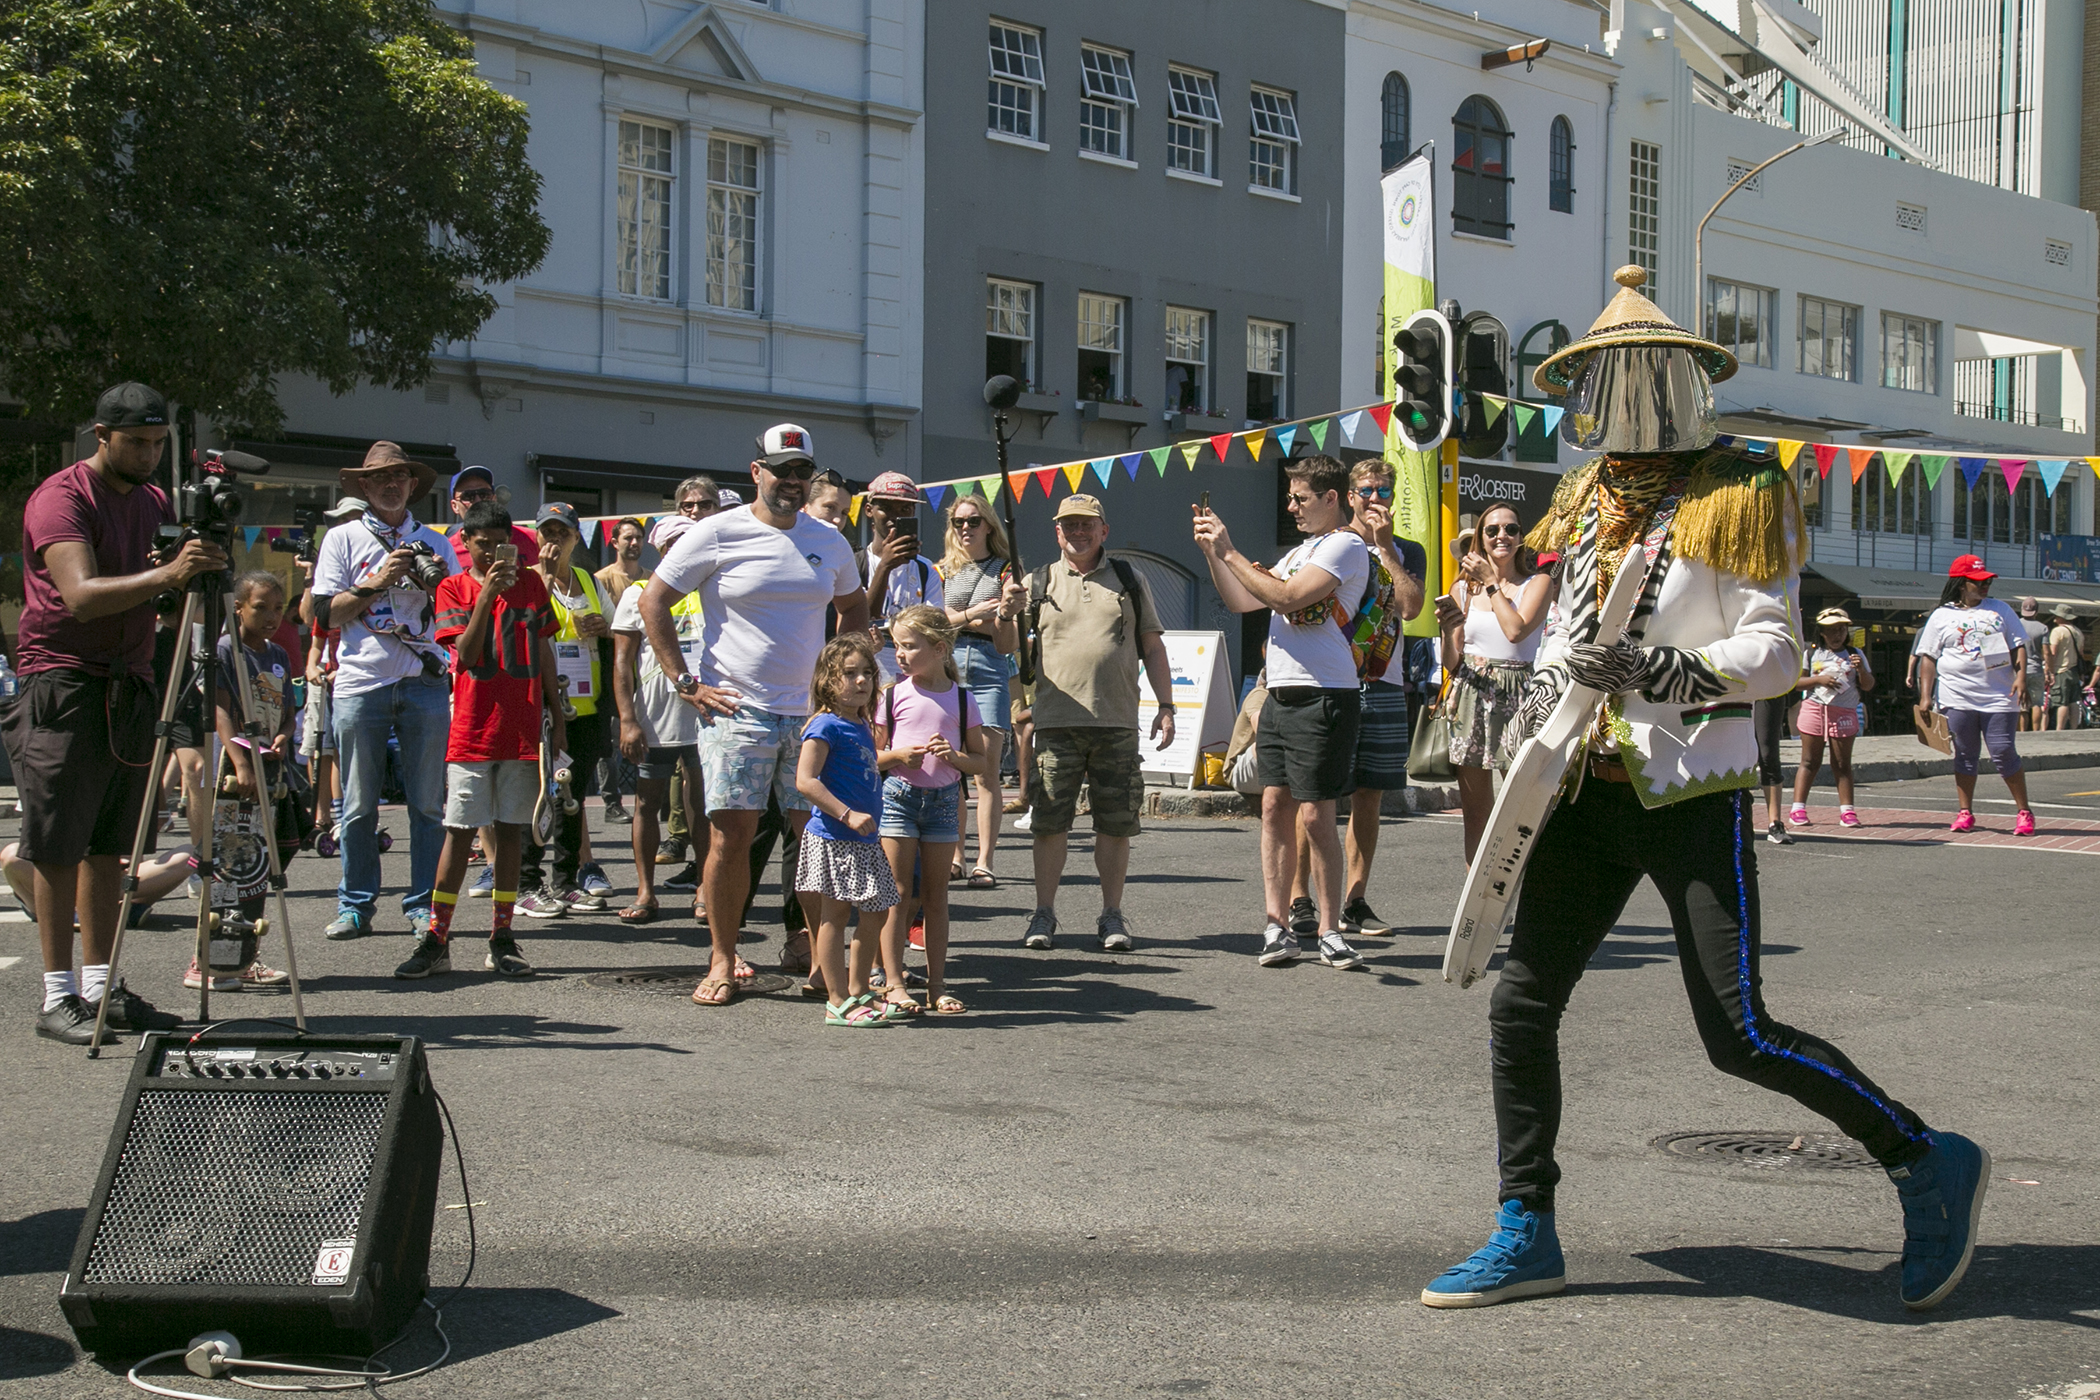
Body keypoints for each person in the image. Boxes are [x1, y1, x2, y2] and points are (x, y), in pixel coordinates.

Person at [1421, 267, 1984, 1315]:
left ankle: (1924, 1157)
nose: (1615, 396)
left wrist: (1661, 674)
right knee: (1520, 1003)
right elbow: (1569, 640)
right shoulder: (1583, 496)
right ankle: (1524, 1221)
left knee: (1741, 1033)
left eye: (1632, 373)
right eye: (1600, 376)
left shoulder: (1742, 487)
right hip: (1582, 788)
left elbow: (1774, 654)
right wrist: (1528, 685)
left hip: (1687, 782)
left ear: (1676, 377)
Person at [7, 382, 221, 1042]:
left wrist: (183, 574)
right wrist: (167, 576)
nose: (151, 454)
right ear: (102, 436)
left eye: (159, 443)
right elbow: (78, 594)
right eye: (138, 442)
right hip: (63, 683)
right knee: (58, 845)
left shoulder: (153, 499)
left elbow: (150, 589)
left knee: (110, 847)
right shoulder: (61, 497)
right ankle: (57, 997)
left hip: (128, 683)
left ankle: (100, 988)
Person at [640, 424, 868, 1008]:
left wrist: (837, 686)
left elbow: (852, 607)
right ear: (756, 471)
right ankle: (722, 955)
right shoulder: (718, 532)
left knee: (818, 838)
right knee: (730, 838)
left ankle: (823, 959)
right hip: (736, 711)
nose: (791, 481)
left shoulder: (830, 540)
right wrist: (685, 682)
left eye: (802, 472)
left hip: (810, 717)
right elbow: (653, 601)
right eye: (781, 469)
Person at [1193, 456, 1373, 969]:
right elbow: (1241, 601)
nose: (1291, 507)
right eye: (1290, 498)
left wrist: (1231, 551)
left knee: (1317, 815)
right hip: (1280, 693)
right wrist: (1213, 553)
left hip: (1325, 694)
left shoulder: (1345, 545)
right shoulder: (1299, 551)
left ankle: (1331, 929)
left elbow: (1289, 598)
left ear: (1331, 498)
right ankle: (1276, 926)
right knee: (1274, 808)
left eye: (1300, 498)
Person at [396, 501, 564, 980]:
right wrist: (487, 597)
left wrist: (557, 711)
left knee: (511, 831)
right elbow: (465, 655)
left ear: (513, 543)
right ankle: (438, 936)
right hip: (473, 728)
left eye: (498, 544)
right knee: (460, 831)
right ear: (465, 546)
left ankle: (503, 935)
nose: (491, 553)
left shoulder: (531, 584)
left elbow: (545, 648)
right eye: (481, 544)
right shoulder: (453, 586)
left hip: (523, 727)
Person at [999, 494, 1173, 953]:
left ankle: (1112, 914)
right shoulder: (1036, 581)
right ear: (1057, 532)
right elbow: (1003, 643)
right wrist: (1006, 610)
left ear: (1103, 531)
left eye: (1086, 525)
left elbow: (1152, 647)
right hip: (1055, 723)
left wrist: (1166, 704)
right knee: (1049, 823)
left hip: (1116, 721)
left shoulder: (1129, 580)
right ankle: (1043, 913)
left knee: (1116, 825)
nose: (1078, 533)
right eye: (1069, 525)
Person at [312, 441, 459, 942]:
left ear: (412, 485)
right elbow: (325, 614)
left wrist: (433, 584)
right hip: (359, 683)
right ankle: (355, 905)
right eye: (381, 478)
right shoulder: (342, 539)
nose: (392, 485)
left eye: (400, 476)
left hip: (424, 681)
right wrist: (377, 581)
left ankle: (423, 905)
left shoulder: (436, 543)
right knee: (357, 805)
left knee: (427, 804)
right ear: (365, 487)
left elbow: (456, 618)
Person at [1286, 458, 1426, 939]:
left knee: (1370, 793)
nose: (1374, 499)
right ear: (1348, 496)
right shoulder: (1327, 545)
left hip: (1383, 681)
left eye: (1384, 491)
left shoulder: (1406, 550)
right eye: (1366, 490)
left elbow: (1410, 606)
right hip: (1328, 680)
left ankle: (1356, 900)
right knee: (1316, 794)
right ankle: (1299, 899)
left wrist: (1386, 548)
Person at [874, 605, 988, 1016]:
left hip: (942, 803)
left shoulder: (962, 698)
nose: (899, 654)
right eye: (896, 646)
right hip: (899, 798)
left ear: (940, 649)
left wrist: (955, 757)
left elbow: (981, 762)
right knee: (898, 893)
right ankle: (894, 981)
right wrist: (898, 756)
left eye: (909, 646)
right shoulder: (892, 695)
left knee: (935, 896)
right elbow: (873, 755)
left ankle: (937, 984)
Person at [193, 570, 299, 992]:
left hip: (271, 769)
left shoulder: (278, 655)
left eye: (277, 608)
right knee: (229, 867)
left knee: (261, 865)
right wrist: (239, 762)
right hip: (234, 772)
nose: (272, 616)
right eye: (261, 607)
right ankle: (211, 958)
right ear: (238, 607)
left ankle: (244, 953)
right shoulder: (223, 650)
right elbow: (219, 710)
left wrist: (284, 736)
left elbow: (288, 710)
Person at [794, 631, 903, 1026]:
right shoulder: (824, 725)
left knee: (877, 909)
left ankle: (859, 990)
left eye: (867, 674)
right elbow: (806, 781)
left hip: (865, 838)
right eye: (849, 673)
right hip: (837, 837)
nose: (861, 681)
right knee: (834, 916)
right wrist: (846, 814)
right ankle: (836, 998)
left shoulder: (858, 723)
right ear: (827, 680)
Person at [1436, 501, 1553, 864]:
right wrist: (1448, 628)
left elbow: (1515, 630)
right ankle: (1478, 900)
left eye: (1511, 529)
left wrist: (1490, 583)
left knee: (1525, 807)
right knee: (1476, 812)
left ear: (1521, 537)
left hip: (1518, 694)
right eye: (1492, 530)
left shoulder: (1538, 582)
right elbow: (1451, 661)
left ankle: (1530, 895)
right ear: (1481, 541)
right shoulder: (1462, 588)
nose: (1502, 535)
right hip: (1470, 691)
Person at [516, 503, 615, 916]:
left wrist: (602, 627)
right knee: (541, 793)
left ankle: (566, 879)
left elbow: (619, 629)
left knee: (573, 795)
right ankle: (525, 882)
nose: (553, 540)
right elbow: (521, 626)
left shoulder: (588, 582)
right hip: (544, 704)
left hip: (586, 704)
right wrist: (540, 575)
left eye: (563, 532)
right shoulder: (527, 581)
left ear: (577, 538)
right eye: (546, 532)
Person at [610, 515, 707, 925]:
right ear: (662, 550)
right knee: (647, 803)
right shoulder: (638, 594)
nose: (682, 551)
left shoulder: (712, 588)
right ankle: (646, 891)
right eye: (673, 545)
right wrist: (627, 719)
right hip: (657, 714)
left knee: (706, 806)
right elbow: (621, 663)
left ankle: (705, 889)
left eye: (689, 542)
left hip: (707, 713)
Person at [1914, 556, 2034, 835]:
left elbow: (2018, 646)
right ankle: (1965, 812)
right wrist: (1925, 696)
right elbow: (1928, 658)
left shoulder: (2000, 610)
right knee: (1965, 754)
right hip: (1957, 696)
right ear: (1960, 584)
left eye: (1987, 581)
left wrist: (2021, 677)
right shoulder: (1942, 615)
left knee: (2003, 751)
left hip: (1999, 696)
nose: (1985, 585)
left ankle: (2024, 812)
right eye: (1978, 581)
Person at [937, 495, 1020, 887]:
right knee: (951, 769)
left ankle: (985, 859)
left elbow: (1008, 637)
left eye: (973, 521)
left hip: (988, 670)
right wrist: (973, 615)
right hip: (947, 669)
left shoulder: (1006, 569)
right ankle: (955, 855)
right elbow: (932, 623)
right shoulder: (940, 571)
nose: (965, 528)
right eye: (958, 522)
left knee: (985, 772)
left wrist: (995, 616)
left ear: (989, 525)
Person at [656, 476, 722, 881]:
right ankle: (686, 852)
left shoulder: (732, 551)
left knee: (711, 791)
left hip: (725, 693)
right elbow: (649, 607)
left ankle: (708, 879)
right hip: (673, 697)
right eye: (688, 506)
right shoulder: (669, 571)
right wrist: (684, 681)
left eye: (705, 504)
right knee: (678, 783)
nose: (696, 512)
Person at [301, 497, 364, 845]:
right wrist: (313, 667)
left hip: (351, 678)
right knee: (317, 747)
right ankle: (320, 815)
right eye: (340, 521)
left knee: (341, 750)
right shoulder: (328, 575)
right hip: (325, 678)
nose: (345, 526)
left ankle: (342, 815)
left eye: (353, 519)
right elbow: (313, 626)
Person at [1787, 608, 1873, 829]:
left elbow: (1868, 685)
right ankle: (1798, 808)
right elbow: (1796, 683)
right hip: (1815, 709)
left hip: (1843, 712)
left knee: (1842, 763)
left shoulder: (1856, 653)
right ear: (1822, 633)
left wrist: (1861, 670)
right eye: (1832, 631)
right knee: (1809, 761)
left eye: (1842, 630)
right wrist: (1820, 680)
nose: (1837, 635)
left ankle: (1848, 811)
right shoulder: (1810, 654)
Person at [862, 472, 945, 683]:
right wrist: (885, 567)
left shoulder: (925, 569)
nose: (894, 516)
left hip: (913, 673)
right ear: (869, 511)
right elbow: (863, 617)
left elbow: (936, 627)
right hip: (867, 669)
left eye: (904, 509)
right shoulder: (855, 563)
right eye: (886, 508)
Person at [594, 515, 650, 824]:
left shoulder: (653, 577)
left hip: (648, 664)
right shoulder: (601, 579)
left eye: (639, 538)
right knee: (611, 735)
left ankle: (649, 795)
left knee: (649, 728)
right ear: (614, 542)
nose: (634, 543)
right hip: (609, 662)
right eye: (627, 538)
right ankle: (611, 800)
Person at [1752, 696, 1791, 845]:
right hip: (1736, 689)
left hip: (1767, 692)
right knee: (1739, 754)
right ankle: (1736, 819)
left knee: (1768, 754)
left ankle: (1775, 823)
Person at [2043, 603, 2086, 731]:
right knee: (2074, 701)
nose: (2054, 617)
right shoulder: (2078, 632)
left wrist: (2049, 671)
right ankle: (2074, 728)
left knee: (2062, 702)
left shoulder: (2057, 631)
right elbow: (2081, 654)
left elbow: (2053, 653)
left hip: (2061, 670)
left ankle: (2059, 729)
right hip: (2074, 670)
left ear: (2062, 617)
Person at [2014, 597, 2048, 731]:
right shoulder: (2043, 628)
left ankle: (2022, 731)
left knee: (2022, 704)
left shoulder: (2016, 625)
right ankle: (2035, 731)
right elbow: (2046, 651)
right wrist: (2049, 670)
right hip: (2036, 669)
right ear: (2037, 611)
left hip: (2018, 669)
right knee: (2036, 703)